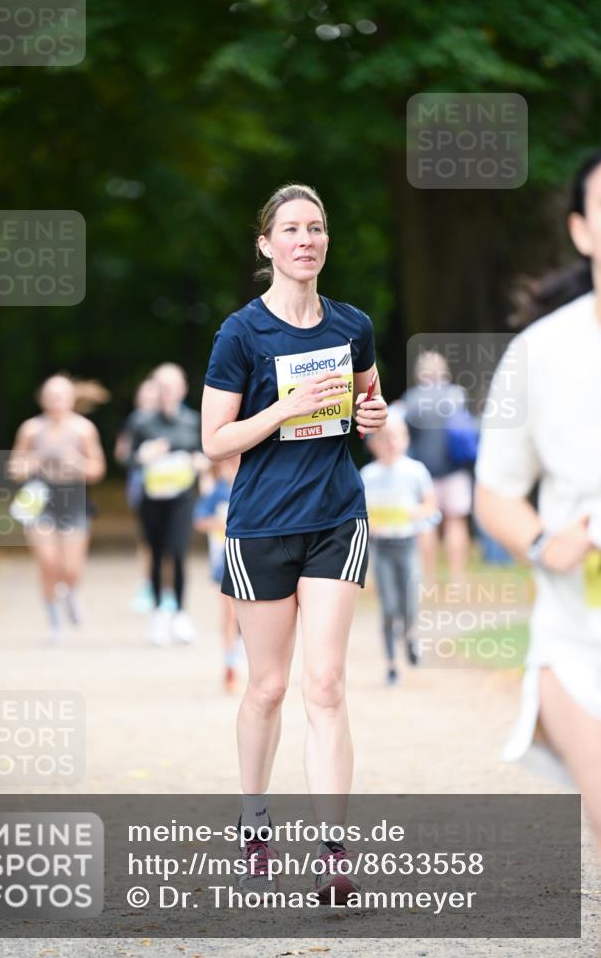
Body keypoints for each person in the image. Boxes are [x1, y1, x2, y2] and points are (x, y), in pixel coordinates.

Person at [201, 183, 387, 903]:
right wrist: (282, 408)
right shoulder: (241, 334)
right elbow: (215, 442)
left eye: (316, 228)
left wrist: (372, 416)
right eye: (291, 229)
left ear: (325, 241)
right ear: (266, 244)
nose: (305, 239)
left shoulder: (351, 325)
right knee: (269, 686)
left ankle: (333, 852)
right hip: (259, 525)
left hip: (336, 518)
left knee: (326, 684)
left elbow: (372, 401)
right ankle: (254, 821)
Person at [475, 149, 601, 860]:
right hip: (577, 632)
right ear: (582, 232)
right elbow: (496, 490)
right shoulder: (538, 354)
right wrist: (538, 541)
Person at [9, 374, 106, 641]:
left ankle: (71, 594)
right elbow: (14, 468)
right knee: (48, 563)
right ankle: (54, 621)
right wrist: (31, 463)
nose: (56, 402)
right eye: (51, 396)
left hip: (74, 499)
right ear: (42, 399)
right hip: (40, 500)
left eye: (61, 396)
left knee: (71, 568)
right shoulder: (30, 429)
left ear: (71, 399)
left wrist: (78, 464)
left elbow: (98, 469)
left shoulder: (83, 429)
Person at [130, 362, 206, 646]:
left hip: (182, 498)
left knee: (177, 552)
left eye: (172, 387)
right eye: (162, 387)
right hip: (151, 499)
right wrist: (142, 456)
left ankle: (180, 613)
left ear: (183, 389)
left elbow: (205, 452)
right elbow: (127, 459)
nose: (167, 393)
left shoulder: (192, 420)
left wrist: (200, 462)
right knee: (157, 552)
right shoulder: (142, 422)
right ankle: (159, 613)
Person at [360, 408, 437, 685]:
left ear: (405, 439)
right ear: (373, 444)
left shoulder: (415, 471)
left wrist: (417, 512)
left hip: (407, 545)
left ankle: (411, 636)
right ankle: (392, 664)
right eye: (384, 437)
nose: (391, 443)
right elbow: (362, 512)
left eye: (396, 436)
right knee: (389, 606)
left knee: (410, 604)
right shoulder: (368, 475)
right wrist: (371, 524)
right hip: (382, 548)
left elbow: (430, 504)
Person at [402, 351, 473, 583]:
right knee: (456, 521)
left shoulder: (411, 399)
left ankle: (428, 578)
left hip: (424, 472)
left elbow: (406, 438)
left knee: (426, 524)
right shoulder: (457, 395)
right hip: (455, 469)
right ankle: (457, 578)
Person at [194, 454, 243, 693]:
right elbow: (199, 519)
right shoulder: (218, 491)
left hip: (252, 558)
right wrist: (222, 524)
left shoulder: (254, 486)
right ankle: (230, 664)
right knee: (229, 615)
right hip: (224, 559)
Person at [114, 377, 161, 615]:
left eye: (152, 396)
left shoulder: (173, 420)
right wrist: (142, 456)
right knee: (147, 540)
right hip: (142, 485)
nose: (148, 401)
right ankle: (147, 585)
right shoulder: (136, 420)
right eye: (144, 396)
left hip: (170, 486)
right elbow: (122, 453)